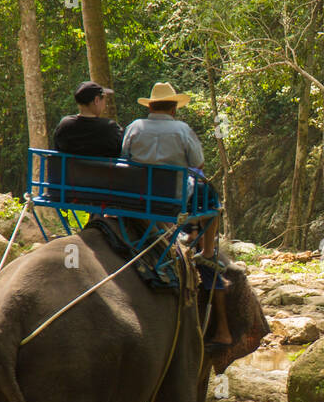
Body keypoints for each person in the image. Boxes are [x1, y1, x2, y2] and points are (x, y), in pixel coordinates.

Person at [122, 82, 235, 361]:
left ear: (150, 106)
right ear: (173, 108)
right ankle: (207, 252)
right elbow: (198, 163)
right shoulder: (182, 130)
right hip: (173, 199)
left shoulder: (135, 127)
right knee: (212, 200)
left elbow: (123, 159)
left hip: (137, 199)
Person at [53, 81, 123, 157]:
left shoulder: (64, 125)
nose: (105, 103)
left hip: (70, 169)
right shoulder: (110, 128)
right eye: (104, 99)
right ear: (96, 100)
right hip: (100, 169)